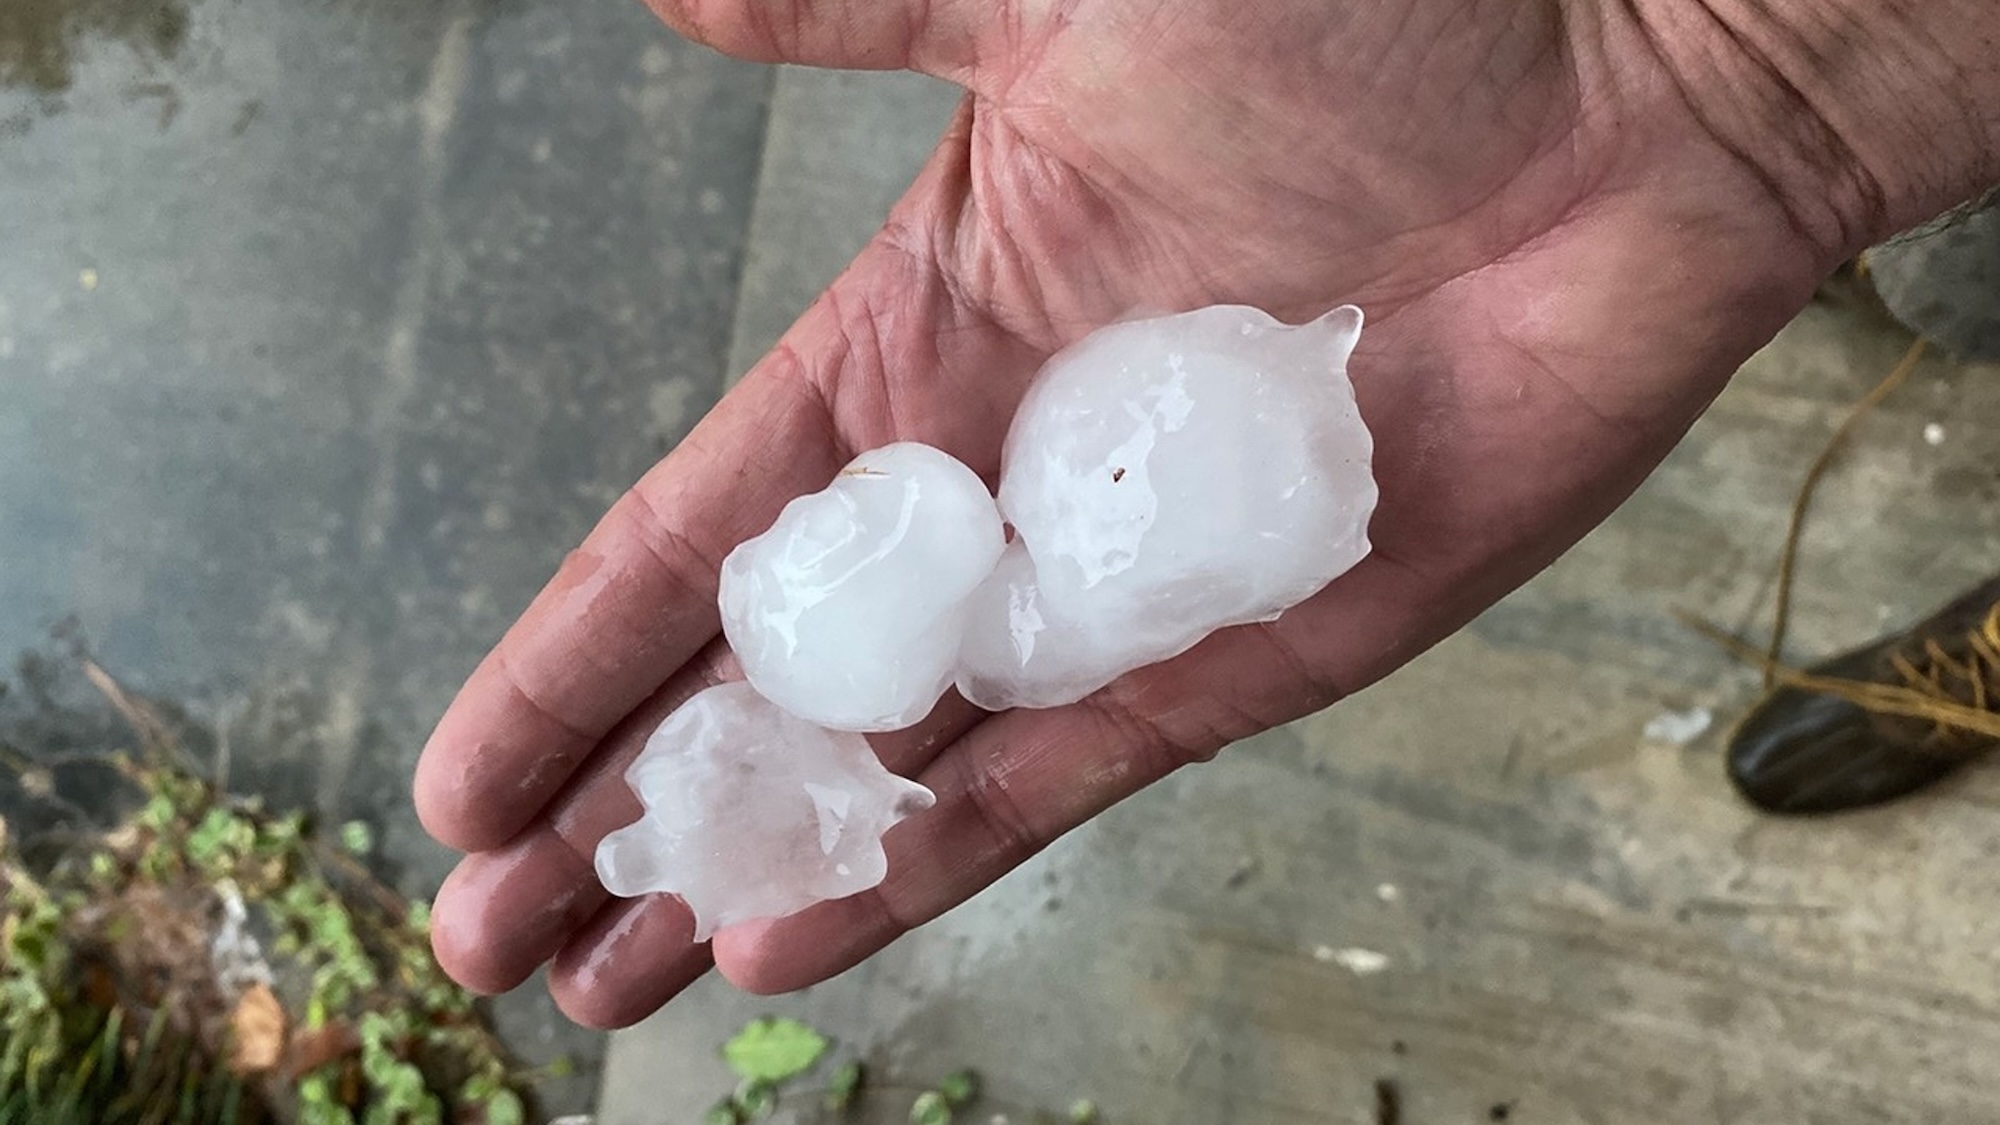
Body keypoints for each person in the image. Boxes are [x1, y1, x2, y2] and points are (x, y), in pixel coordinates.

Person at [411, 0, 2000, 1029]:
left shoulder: (1016, 559)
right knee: (1938, 257)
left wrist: (1729, 78)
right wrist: (1762, 73)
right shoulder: (997, 579)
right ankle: (1836, 226)